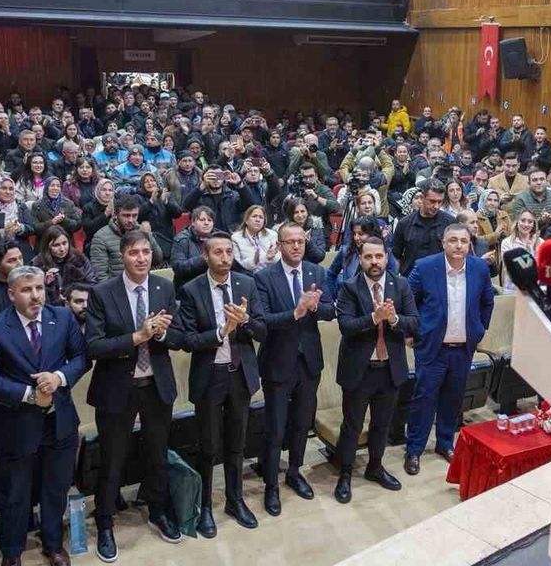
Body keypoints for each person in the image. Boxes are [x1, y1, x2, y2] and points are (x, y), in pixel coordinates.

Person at [0, 266, 87, 566]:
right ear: (11, 294)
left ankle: (53, 544)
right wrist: (30, 394)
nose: (36, 296)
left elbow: (81, 357)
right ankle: (12, 554)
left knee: (56, 490)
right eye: (27, 290)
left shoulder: (62, 317)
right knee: (14, 495)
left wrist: (59, 377)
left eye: (39, 288)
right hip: (15, 425)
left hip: (59, 422)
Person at [85, 230, 185, 559]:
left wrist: (162, 334)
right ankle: (105, 523)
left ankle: (158, 512)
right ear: (123, 256)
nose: (141, 258)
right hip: (117, 387)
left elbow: (178, 337)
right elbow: (94, 346)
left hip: (156, 385)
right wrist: (137, 336)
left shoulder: (164, 287)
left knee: (158, 455)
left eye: (146, 252)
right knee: (112, 460)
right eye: (134, 253)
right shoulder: (102, 293)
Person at [177, 231, 265, 536]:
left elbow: (263, 330)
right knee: (208, 445)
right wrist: (221, 331)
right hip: (210, 376)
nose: (225, 258)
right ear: (205, 256)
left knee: (237, 443)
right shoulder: (191, 290)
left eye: (229, 251)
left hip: (239, 373)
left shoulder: (247, 284)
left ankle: (234, 499)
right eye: (218, 252)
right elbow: (187, 340)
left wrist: (244, 322)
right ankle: (204, 507)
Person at [252, 222, 335, 515]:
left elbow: (330, 310)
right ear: (280, 245)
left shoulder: (316, 272)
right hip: (277, 360)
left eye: (301, 241)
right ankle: (271, 485)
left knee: (302, 422)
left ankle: (295, 472)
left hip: (309, 361)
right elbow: (262, 321)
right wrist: (296, 312)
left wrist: (315, 308)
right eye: (290, 242)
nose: (297, 246)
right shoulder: (264, 277)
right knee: (275, 427)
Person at [403, 224, 494, 475]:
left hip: (463, 348)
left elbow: (487, 302)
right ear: (443, 243)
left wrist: (479, 330)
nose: (458, 245)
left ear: (469, 244)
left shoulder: (479, 268)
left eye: (463, 241)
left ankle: (445, 443)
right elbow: (408, 301)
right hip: (432, 348)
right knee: (424, 399)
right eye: (453, 240)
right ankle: (414, 449)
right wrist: (411, 332)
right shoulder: (425, 267)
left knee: (453, 399)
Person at [332, 236, 417, 503]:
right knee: (352, 425)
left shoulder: (400, 284)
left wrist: (394, 319)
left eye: (379, 256)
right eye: (368, 257)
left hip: (389, 369)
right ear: (360, 259)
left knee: (382, 424)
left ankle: (375, 467)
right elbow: (346, 326)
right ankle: (345, 473)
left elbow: (414, 322)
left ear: (386, 257)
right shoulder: (349, 287)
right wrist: (374, 318)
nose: (374, 262)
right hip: (360, 369)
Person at [392, 181, 456, 276]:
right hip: (411, 278)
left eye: (440, 202)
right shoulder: (404, 224)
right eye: (432, 201)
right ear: (422, 198)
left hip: (440, 278)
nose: (436, 206)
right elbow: (396, 255)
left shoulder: (450, 223)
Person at [499, 210, 539, 294]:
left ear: (534, 224)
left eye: (530, 222)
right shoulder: (507, 242)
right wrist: (528, 250)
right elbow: (511, 268)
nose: (526, 224)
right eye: (523, 220)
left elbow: (539, 269)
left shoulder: (540, 242)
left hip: (534, 290)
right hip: (512, 290)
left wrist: (531, 248)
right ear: (517, 221)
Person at [233, 204, 278, 274]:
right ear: (246, 220)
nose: (257, 220)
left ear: (264, 221)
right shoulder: (236, 238)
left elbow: (279, 260)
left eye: (261, 217)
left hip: (271, 274)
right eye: (254, 216)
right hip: (248, 275)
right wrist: (255, 260)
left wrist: (271, 258)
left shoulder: (272, 234)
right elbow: (239, 265)